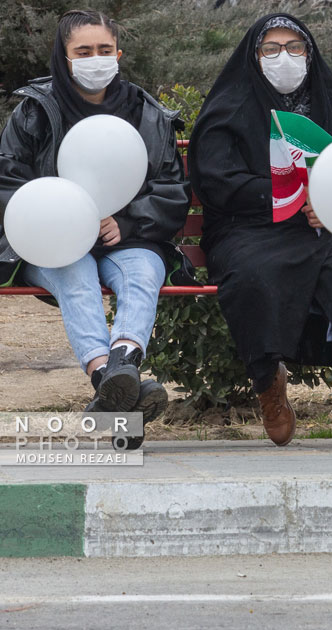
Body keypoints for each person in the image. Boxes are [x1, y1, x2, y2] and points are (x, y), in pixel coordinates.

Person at [189, 13, 332, 447]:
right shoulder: (229, 109)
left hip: (326, 228)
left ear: (310, 55)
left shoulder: (328, 104)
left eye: (295, 48)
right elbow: (219, 182)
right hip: (249, 229)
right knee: (255, 276)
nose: (285, 58)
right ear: (253, 56)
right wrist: (291, 200)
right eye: (271, 49)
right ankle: (267, 385)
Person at [0, 9, 190, 447]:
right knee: (77, 274)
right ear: (63, 58)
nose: (95, 59)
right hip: (51, 244)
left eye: (104, 50)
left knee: (144, 274)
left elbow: (171, 189)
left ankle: (118, 369)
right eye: (82, 51)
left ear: (118, 54)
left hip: (128, 239)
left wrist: (127, 220)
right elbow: (8, 182)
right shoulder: (35, 111)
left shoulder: (146, 113)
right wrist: (64, 215)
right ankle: (114, 380)